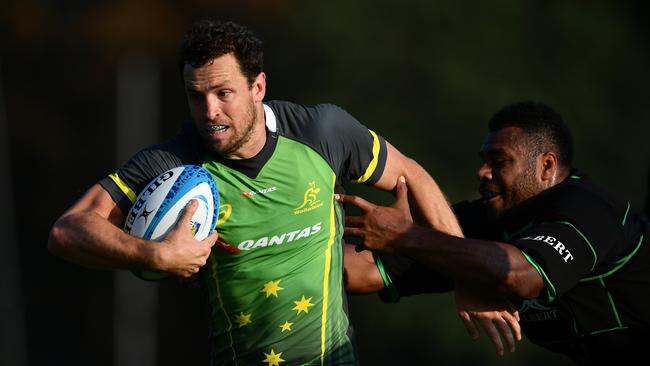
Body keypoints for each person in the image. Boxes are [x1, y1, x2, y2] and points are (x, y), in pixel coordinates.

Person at [47, 19, 464, 365]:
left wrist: (470, 279)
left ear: (258, 87)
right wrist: (155, 254)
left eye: (223, 93)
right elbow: (68, 230)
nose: (209, 112)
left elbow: (413, 175)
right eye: (196, 96)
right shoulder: (174, 163)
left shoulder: (322, 134)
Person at [340, 101, 650, 365]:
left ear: (546, 166)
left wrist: (408, 237)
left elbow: (524, 274)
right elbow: (362, 270)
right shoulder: (482, 221)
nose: (482, 172)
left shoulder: (589, 207)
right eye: (484, 161)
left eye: (499, 162)